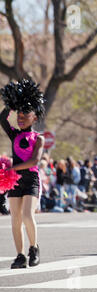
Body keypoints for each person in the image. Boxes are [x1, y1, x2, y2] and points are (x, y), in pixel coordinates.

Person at [0, 79, 45, 269]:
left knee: (27, 215)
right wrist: (12, 103)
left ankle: (34, 248)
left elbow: (34, 161)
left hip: (31, 179)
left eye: (25, 113)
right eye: (19, 113)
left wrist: (12, 168)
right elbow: (2, 119)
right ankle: (20, 255)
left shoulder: (39, 138)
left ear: (35, 117)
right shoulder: (15, 135)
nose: (20, 116)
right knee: (15, 219)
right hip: (15, 181)